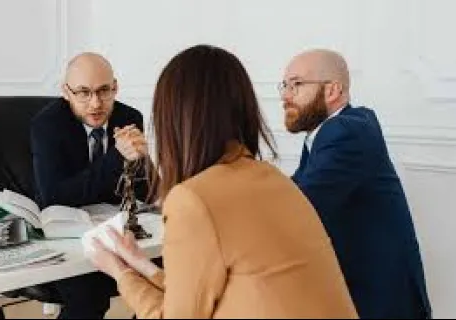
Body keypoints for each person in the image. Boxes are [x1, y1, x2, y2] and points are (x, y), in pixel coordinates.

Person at [86, 44, 358, 318]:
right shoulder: (274, 179)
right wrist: (141, 265)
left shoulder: (193, 199)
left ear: (174, 120)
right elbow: (201, 292)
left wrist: (121, 273)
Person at [279, 48, 432, 319]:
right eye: (285, 86)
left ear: (332, 90)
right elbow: (294, 189)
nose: (286, 95)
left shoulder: (345, 131)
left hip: (381, 303)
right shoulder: (328, 133)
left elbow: (300, 204)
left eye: (297, 84)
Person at [30, 52, 155, 319]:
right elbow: (54, 196)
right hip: (66, 237)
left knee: (168, 274)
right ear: (66, 92)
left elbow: (142, 194)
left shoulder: (129, 117)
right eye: (84, 93)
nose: (96, 103)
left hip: (115, 230)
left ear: (115, 88)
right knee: (88, 295)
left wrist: (142, 161)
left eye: (103, 91)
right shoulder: (47, 126)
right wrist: (116, 159)